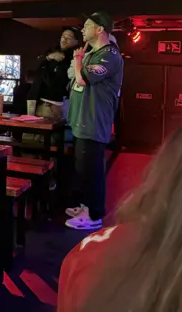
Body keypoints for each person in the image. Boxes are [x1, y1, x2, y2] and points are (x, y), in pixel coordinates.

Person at [58, 127, 182, 312]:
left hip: (91, 130)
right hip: (84, 128)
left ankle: (92, 213)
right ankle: (88, 209)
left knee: (91, 170)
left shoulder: (89, 257)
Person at [65, 12, 123, 230]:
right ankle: (85, 206)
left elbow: (82, 78)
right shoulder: (93, 53)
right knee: (82, 169)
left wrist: (78, 61)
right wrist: (80, 61)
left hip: (94, 121)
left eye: (87, 26)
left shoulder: (109, 54)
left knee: (92, 170)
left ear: (100, 29)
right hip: (81, 120)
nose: (82, 30)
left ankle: (94, 214)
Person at [29, 26, 82, 121]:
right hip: (38, 103)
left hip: (51, 106)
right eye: (63, 36)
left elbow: (52, 82)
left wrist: (44, 66)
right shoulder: (52, 52)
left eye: (69, 37)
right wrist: (48, 58)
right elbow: (34, 69)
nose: (64, 39)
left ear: (76, 41)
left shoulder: (73, 59)